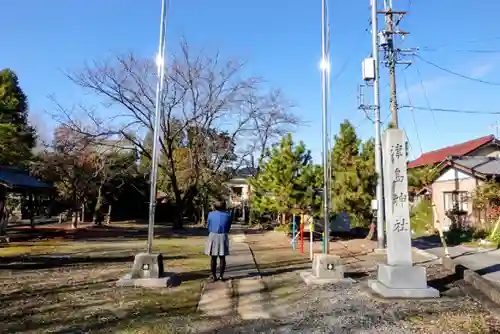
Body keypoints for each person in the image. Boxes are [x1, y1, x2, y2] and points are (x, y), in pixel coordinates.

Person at [204, 200, 232, 282]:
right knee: (222, 257)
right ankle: (221, 276)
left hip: (213, 235)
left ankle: (213, 275)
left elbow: (208, 226)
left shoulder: (211, 214)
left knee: (213, 257)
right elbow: (228, 227)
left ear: (215, 206)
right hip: (223, 235)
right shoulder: (228, 215)